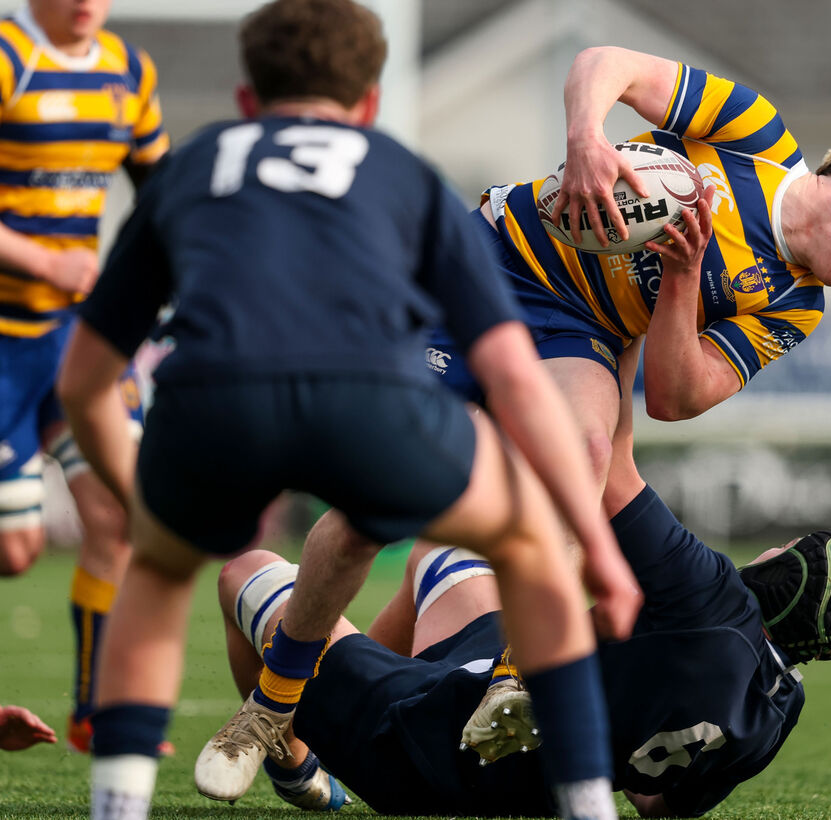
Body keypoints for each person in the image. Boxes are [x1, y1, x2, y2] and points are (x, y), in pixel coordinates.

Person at [54, 2, 639, 819]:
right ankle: (587, 807)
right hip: (372, 403)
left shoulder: (191, 165)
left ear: (247, 101)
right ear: (368, 102)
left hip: (217, 400)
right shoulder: (401, 171)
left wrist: (139, 502)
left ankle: (118, 806)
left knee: (156, 574)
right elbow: (511, 374)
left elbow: (85, 380)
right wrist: (601, 556)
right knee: (533, 549)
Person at [428, 46, 831, 522]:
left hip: (582, 327)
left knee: (588, 454)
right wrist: (587, 139)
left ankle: (526, 636)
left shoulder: (796, 305)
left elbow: (674, 400)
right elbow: (602, 63)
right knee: (381, 451)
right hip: (503, 252)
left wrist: (683, 279)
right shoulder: (757, 135)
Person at [212, 478, 831, 817]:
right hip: (512, 740)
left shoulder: (712, 596)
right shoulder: (778, 709)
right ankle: (343, 688)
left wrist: (615, 326)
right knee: (440, 553)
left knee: (242, 572)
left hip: (426, 743)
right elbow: (657, 804)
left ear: (782, 572)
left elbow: (604, 462)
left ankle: (294, 757)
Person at [0, 0, 169, 753]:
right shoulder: (7, 56)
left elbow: (163, 193)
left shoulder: (128, 73)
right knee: (17, 550)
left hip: (76, 340)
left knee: (120, 515)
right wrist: (41, 261)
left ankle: (95, 712)